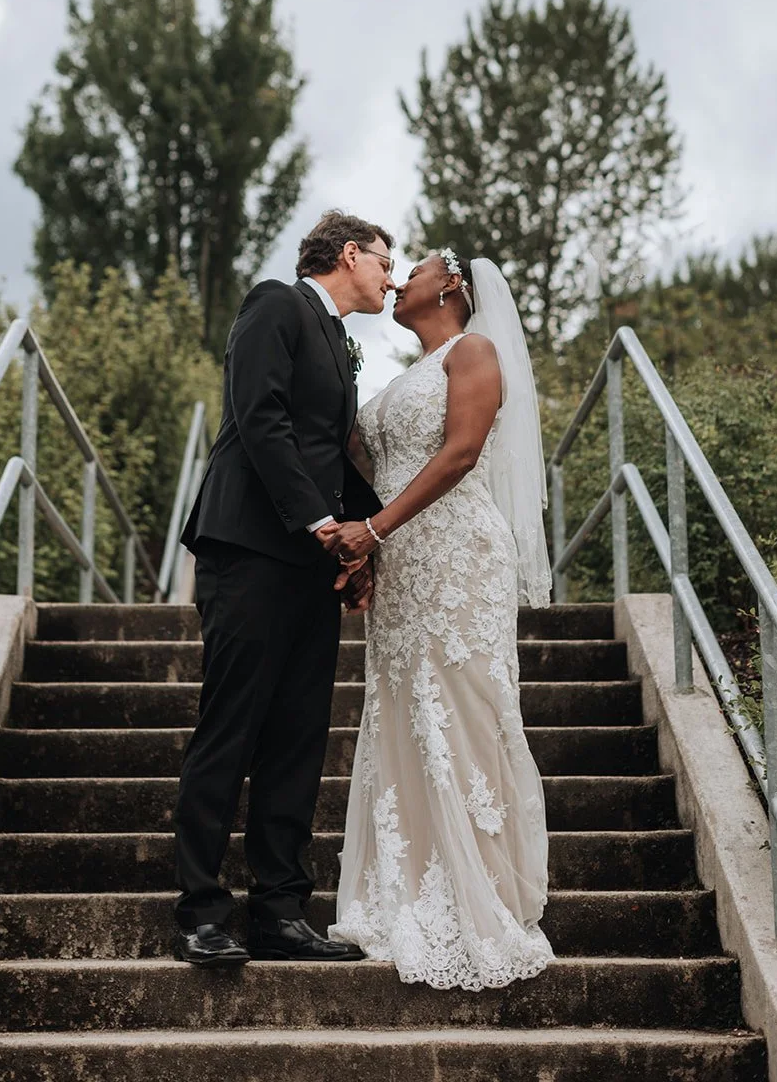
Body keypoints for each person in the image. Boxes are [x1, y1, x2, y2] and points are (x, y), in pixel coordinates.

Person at [325, 248, 555, 989]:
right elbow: (365, 463)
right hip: (401, 565)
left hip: (458, 557)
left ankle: (479, 892)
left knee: (461, 711)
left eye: (413, 270)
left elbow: (459, 454)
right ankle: (407, 885)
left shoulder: (473, 351)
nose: (398, 281)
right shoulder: (404, 377)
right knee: (399, 712)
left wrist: (374, 530)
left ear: (451, 285)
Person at [173, 211, 395, 965]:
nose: (390, 278)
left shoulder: (338, 339)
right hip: (248, 549)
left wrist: (369, 541)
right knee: (231, 726)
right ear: (349, 253)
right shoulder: (275, 303)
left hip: (310, 564)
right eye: (384, 261)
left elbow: (327, 453)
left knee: (299, 736)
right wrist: (322, 523)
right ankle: (202, 914)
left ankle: (279, 912)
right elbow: (260, 418)